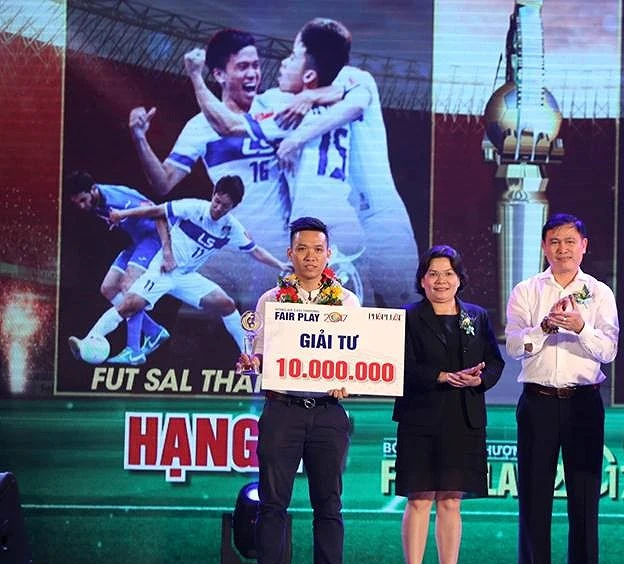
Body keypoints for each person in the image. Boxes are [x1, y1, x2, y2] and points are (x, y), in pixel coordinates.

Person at [185, 18, 420, 308]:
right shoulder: (293, 107)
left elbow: (355, 103)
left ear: (310, 71)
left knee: (400, 310)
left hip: (376, 217)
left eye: (294, 55)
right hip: (342, 218)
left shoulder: (350, 81)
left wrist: (297, 136)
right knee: (360, 313)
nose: (283, 62)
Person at [241, 216, 359, 564]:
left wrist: (349, 381)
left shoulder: (346, 301)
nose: (310, 256)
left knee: (329, 502)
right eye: (302, 249)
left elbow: (357, 358)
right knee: (273, 501)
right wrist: (250, 362)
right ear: (290, 253)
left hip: (328, 411)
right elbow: (259, 354)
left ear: (329, 254)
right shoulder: (271, 300)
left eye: (318, 249)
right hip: (282, 408)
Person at [504, 213, 619, 564]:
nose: (563, 249)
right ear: (543, 247)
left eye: (570, 241)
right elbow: (514, 346)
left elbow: (609, 351)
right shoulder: (526, 290)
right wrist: (545, 328)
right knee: (534, 497)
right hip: (537, 401)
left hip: (583, 402)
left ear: (584, 246)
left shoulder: (599, 293)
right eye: (554, 241)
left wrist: (581, 326)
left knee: (584, 499)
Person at [129, 28, 289, 311]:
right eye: (243, 67)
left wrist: (194, 76)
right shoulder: (199, 127)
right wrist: (140, 139)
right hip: (220, 246)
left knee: (267, 331)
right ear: (219, 75)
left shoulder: (274, 104)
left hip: (272, 246)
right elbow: (164, 182)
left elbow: (227, 125)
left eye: (255, 65)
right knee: (196, 329)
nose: (253, 74)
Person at [392, 245, 504, 564]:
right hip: (420, 418)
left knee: (452, 501)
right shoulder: (408, 317)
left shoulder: (477, 316)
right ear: (422, 280)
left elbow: (495, 362)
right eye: (433, 274)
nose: (441, 281)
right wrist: (440, 376)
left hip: (463, 418)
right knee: (420, 499)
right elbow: (399, 366)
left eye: (448, 274)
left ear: (459, 279)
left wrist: (479, 379)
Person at [69, 176, 286, 364]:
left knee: (226, 304)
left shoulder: (232, 228)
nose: (218, 208)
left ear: (233, 207)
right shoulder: (194, 207)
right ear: (213, 194)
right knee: (129, 304)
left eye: (225, 206)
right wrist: (165, 251)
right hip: (164, 269)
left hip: (186, 277)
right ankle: (91, 340)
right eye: (217, 202)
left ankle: (250, 357)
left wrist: (281, 265)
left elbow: (255, 251)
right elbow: (157, 211)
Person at [63, 171, 169, 364]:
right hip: (137, 242)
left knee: (129, 287)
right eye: (77, 203)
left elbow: (158, 213)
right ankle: (153, 331)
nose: (82, 206)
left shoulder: (117, 198)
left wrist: (167, 250)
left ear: (93, 189)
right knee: (109, 287)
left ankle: (134, 350)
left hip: (153, 239)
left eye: (83, 200)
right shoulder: (96, 203)